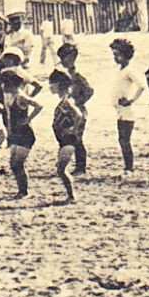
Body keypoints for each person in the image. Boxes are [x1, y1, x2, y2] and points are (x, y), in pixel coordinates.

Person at [0, 69, 42, 198]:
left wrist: (28, 119)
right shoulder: (11, 96)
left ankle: (24, 191)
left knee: (17, 164)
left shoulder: (20, 96)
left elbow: (39, 105)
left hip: (25, 134)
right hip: (17, 134)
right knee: (14, 164)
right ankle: (21, 190)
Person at [55, 42, 95, 175]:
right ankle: (64, 163)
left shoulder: (77, 75)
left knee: (77, 137)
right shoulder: (63, 73)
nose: (64, 60)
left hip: (77, 109)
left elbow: (89, 90)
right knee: (65, 134)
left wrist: (79, 101)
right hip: (67, 110)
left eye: (66, 57)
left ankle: (80, 167)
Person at [47, 69, 85, 203]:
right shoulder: (66, 100)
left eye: (51, 83)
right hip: (64, 140)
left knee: (61, 170)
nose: (49, 86)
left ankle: (72, 196)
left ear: (58, 84)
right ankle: (71, 195)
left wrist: (73, 130)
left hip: (68, 140)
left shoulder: (67, 101)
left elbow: (80, 115)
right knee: (61, 169)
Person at [108, 38, 144, 173]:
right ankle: (128, 166)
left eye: (117, 55)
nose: (115, 58)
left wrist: (131, 100)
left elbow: (142, 85)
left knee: (125, 140)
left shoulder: (129, 70)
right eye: (114, 55)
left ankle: (129, 167)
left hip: (128, 111)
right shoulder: (122, 70)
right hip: (121, 110)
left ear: (126, 55)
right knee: (122, 139)